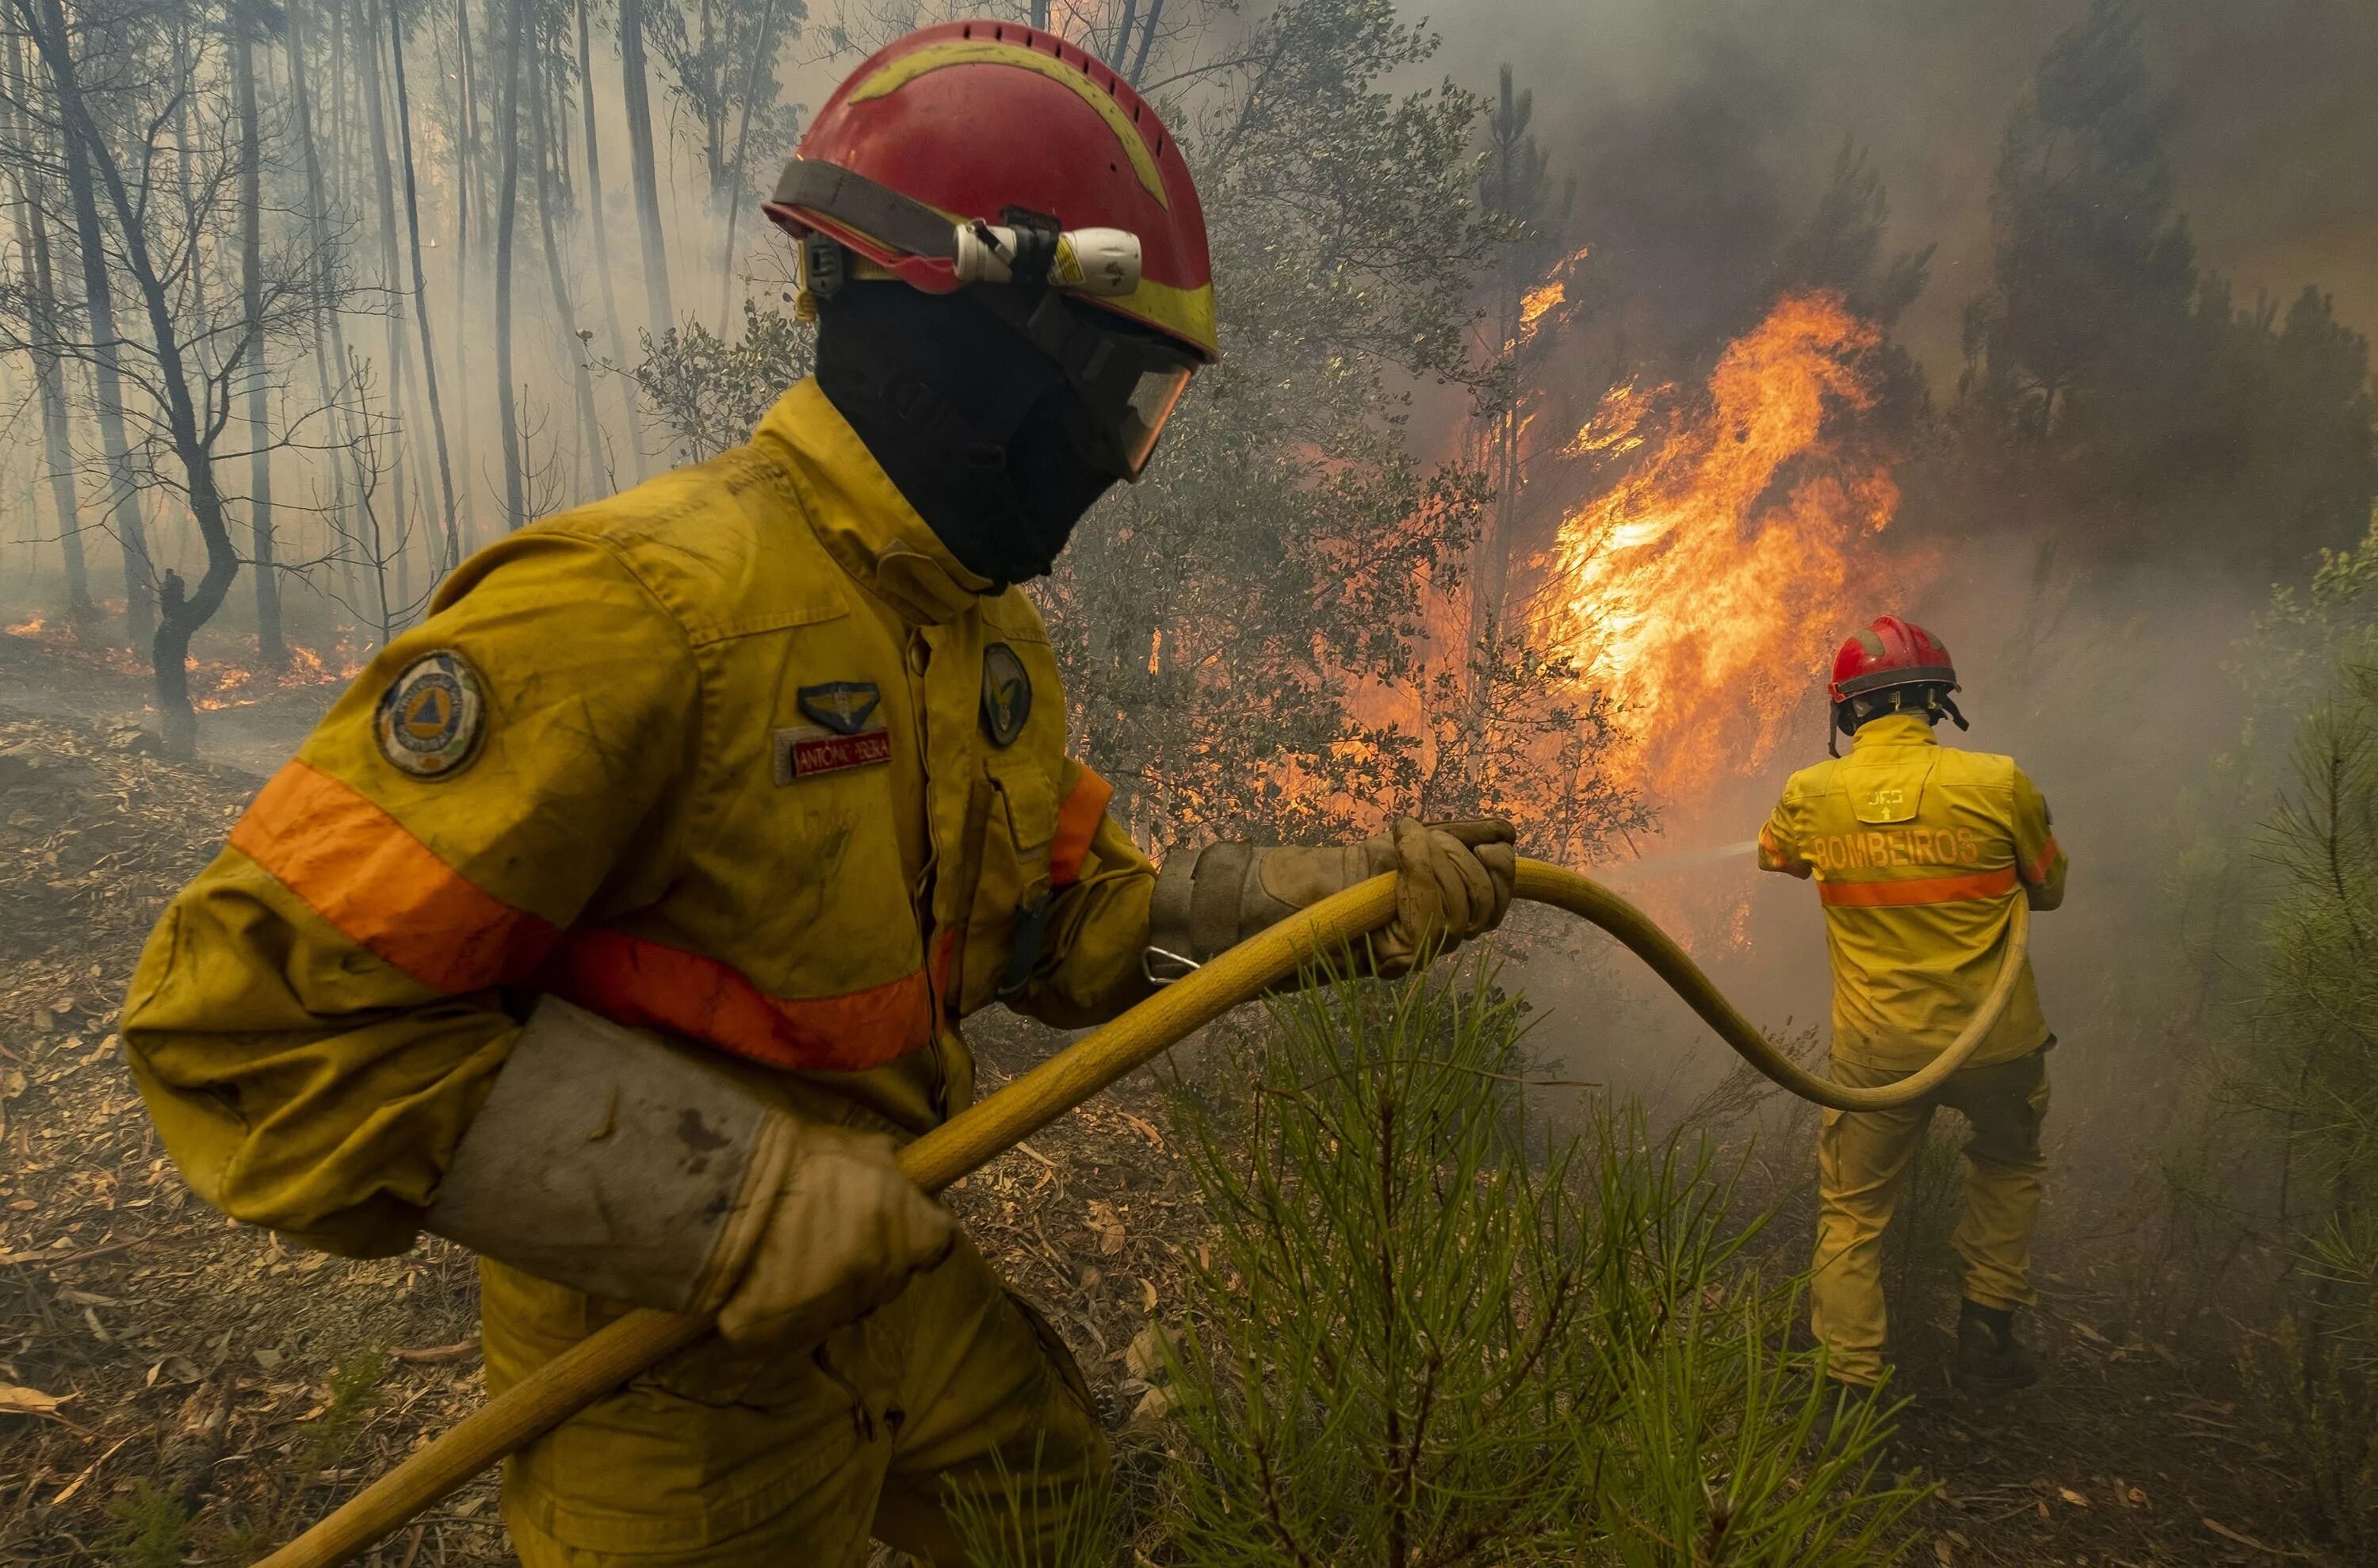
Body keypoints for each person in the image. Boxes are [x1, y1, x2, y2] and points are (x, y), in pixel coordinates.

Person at [119, 24, 1515, 1566]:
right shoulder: (641, 609)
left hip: (888, 1273)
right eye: (1120, 392)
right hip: (666, 1366)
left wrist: (1309, 910)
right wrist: (726, 1202)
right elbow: (250, 1024)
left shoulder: (976, 636)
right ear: (982, 349)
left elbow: (1059, 925)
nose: (1121, 460)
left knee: (1058, 1508)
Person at [1757, 615, 2067, 1399]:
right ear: (1938, 701)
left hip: (1879, 1055)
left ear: (1847, 710)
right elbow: (2050, 889)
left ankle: (1849, 1388)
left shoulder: (1811, 792)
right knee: (2008, 1164)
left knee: (1852, 1212)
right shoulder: (2000, 782)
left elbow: (1775, 856)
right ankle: (1987, 1335)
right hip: (1998, 1043)